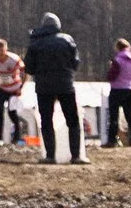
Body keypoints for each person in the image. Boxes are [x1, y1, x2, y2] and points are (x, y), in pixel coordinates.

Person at [24, 13, 85, 163]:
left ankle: (50, 156)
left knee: (46, 121)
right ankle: (76, 156)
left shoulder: (35, 42)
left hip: (44, 87)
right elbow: (75, 63)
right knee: (72, 121)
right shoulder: (67, 39)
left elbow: (29, 68)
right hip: (66, 85)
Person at [104, 38, 131, 147]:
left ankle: (112, 140)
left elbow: (111, 77)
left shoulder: (117, 60)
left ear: (118, 48)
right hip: (129, 90)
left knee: (114, 116)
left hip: (117, 90)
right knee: (129, 115)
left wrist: (110, 68)